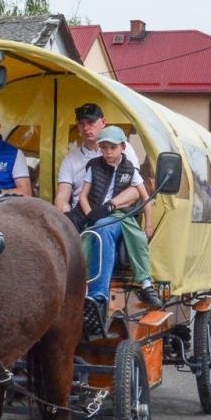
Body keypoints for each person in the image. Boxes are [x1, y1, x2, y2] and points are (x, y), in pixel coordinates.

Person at [78, 127, 162, 321]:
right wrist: (91, 215)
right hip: (99, 214)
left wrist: (148, 224)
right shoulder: (94, 166)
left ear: (122, 147)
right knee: (91, 234)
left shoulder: (130, 169)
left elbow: (145, 197)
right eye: (104, 147)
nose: (108, 152)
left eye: (112, 147)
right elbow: (83, 196)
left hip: (123, 214)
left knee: (134, 236)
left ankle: (144, 283)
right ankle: (85, 288)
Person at [55, 102, 145, 220]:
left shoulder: (123, 148)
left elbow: (136, 190)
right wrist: (65, 216)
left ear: (103, 122)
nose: (86, 128)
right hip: (79, 216)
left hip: (114, 215)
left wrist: (108, 207)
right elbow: (62, 197)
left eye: (91, 122)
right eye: (81, 124)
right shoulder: (70, 159)